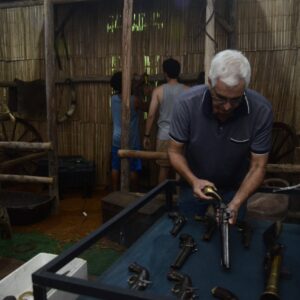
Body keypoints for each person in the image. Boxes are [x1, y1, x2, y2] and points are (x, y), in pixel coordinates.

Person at [168, 49, 273, 224]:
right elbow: (174, 152)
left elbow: (258, 166)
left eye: (235, 100)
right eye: (221, 98)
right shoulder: (186, 104)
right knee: (187, 230)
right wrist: (193, 180)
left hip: (236, 188)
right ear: (210, 83)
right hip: (192, 185)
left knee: (232, 238)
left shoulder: (261, 111)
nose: (227, 107)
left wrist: (236, 202)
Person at [143, 58, 188, 183]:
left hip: (163, 134)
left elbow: (151, 115)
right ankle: (179, 199)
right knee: (180, 169)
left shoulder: (158, 91)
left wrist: (146, 135)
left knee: (163, 168)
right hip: (181, 135)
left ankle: (160, 198)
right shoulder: (187, 90)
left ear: (165, 73)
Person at [110, 71, 142, 191]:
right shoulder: (134, 100)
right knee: (133, 168)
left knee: (115, 167)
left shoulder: (113, 99)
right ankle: (134, 194)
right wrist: (139, 87)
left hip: (116, 138)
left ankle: (114, 192)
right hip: (131, 138)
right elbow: (145, 107)